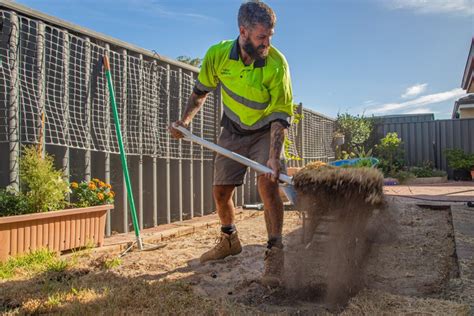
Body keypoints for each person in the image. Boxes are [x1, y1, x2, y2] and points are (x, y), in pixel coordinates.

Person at [169, 0, 293, 287]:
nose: (267, 43)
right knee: (221, 191)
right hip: (233, 130)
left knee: (268, 183)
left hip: (266, 130)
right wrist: (185, 121)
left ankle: (275, 253)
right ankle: (229, 239)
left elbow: (281, 115)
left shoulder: (276, 64)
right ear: (243, 31)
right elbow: (201, 91)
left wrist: (274, 157)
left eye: (271, 36)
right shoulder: (218, 55)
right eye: (262, 37)